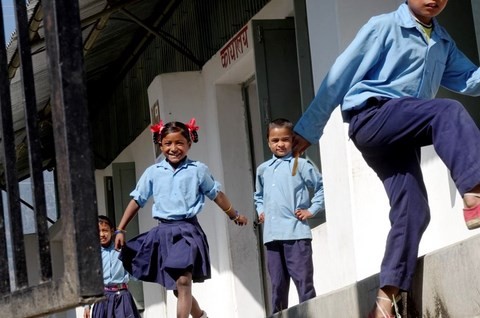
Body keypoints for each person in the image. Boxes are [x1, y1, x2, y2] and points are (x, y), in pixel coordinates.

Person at [292, 1, 480, 317]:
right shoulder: (383, 27)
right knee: (447, 111)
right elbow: (340, 74)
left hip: (402, 130)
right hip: (373, 117)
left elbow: (471, 80)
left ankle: (383, 302)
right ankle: (474, 191)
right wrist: (310, 127)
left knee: (414, 209)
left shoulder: (443, 42)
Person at [114, 119, 248, 318]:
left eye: (179, 143)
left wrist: (234, 214)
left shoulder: (198, 170)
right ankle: (201, 316)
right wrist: (121, 229)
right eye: (168, 143)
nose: (174, 148)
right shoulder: (153, 172)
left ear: (189, 144)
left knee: (184, 282)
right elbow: (137, 200)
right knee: (179, 288)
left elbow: (216, 194)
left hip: (187, 231)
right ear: (160, 145)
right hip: (163, 233)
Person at [254, 118, 324, 314]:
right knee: (277, 285)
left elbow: (321, 188)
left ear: (293, 140)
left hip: (296, 235)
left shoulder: (300, 164)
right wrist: (261, 211)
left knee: (304, 283)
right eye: (275, 140)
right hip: (272, 236)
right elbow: (258, 196)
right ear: (268, 141)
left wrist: (312, 210)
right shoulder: (263, 170)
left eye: (285, 139)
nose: (280, 144)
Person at [83, 215, 141, 318]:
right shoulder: (92, 255)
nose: (102, 234)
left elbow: (134, 273)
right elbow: (89, 282)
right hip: (101, 300)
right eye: (98, 231)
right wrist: (87, 306)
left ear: (112, 231)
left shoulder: (122, 250)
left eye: (105, 230)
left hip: (122, 298)